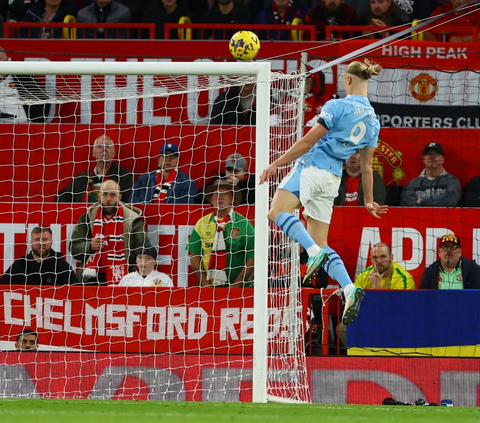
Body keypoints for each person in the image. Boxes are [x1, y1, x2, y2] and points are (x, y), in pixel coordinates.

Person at [260, 59, 388, 326]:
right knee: (323, 242)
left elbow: (308, 141)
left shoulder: (337, 106)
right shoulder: (374, 122)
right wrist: (368, 201)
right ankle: (349, 288)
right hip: (333, 179)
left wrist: (275, 163)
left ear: (349, 80)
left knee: (276, 211)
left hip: (313, 167)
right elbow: (366, 167)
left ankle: (312, 251)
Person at [70, 180, 151, 285]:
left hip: (124, 277)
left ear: (119, 197)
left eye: (113, 195)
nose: (108, 199)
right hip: (91, 277)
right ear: (99, 196)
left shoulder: (133, 220)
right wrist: (89, 246)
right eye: (105, 194)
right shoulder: (87, 217)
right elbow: (73, 248)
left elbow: (143, 251)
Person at [188, 178, 255, 287]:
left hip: (238, 287)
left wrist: (238, 283)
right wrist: (205, 282)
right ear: (211, 200)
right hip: (209, 286)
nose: (220, 197)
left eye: (225, 194)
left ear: (232, 199)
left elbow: (252, 256)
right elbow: (194, 255)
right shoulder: (202, 223)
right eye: (216, 194)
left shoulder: (244, 224)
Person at [57, 134, 135, 203]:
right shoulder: (82, 178)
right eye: (100, 146)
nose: (104, 149)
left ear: (114, 152)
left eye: (108, 146)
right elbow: (60, 199)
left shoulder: (126, 177)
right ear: (93, 152)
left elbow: (131, 203)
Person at [0, 226, 78, 286]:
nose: (41, 243)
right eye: (37, 239)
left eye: (45, 239)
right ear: (31, 242)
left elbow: (76, 291)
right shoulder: (22, 263)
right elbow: (3, 286)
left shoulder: (62, 266)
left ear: (51, 242)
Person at [131, 142, 198, 203]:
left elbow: (188, 207)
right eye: (164, 155)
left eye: (172, 156)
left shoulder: (188, 183)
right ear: (159, 159)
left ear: (178, 160)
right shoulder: (144, 179)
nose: (168, 159)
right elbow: (132, 203)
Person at [400, 142, 461, 207]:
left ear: (443, 159)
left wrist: (422, 201)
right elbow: (407, 206)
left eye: (436, 154)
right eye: (428, 154)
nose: (432, 157)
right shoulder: (413, 183)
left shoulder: (452, 181)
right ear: (423, 159)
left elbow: (451, 200)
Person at [0, 47, 51, 123]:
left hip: (22, 127)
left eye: (1, 59)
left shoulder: (22, 78)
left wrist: (34, 121)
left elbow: (42, 99)